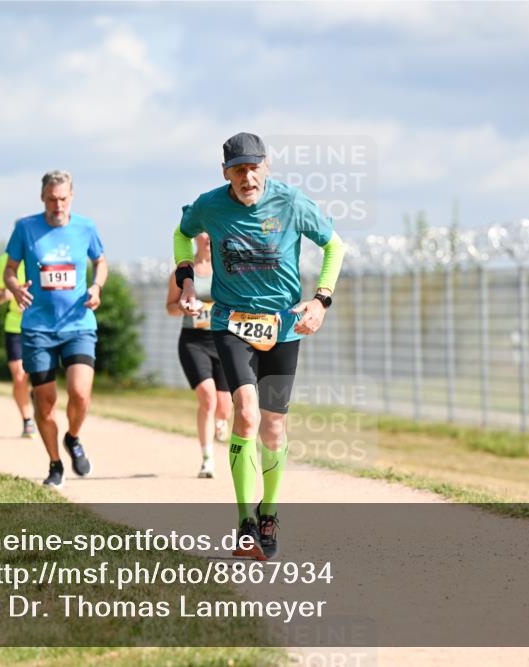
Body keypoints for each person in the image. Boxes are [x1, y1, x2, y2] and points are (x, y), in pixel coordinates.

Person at [173, 132, 345, 560]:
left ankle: (269, 512)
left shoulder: (291, 202)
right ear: (225, 173)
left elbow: (334, 245)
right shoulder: (209, 205)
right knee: (246, 414)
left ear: (266, 166)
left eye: (254, 168)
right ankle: (245, 521)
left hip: (283, 326)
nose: (247, 177)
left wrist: (321, 300)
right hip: (231, 322)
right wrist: (186, 278)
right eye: (238, 170)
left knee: (273, 426)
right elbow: (181, 233)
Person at [3, 170, 107, 488]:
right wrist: (15, 288)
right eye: (51, 199)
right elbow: (9, 270)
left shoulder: (86, 227)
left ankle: (72, 437)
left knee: (80, 393)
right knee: (45, 402)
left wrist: (96, 287)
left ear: (71, 197)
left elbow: (101, 262)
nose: (58, 205)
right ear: (42, 198)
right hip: (38, 329)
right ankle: (55, 464)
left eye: (63, 199)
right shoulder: (25, 228)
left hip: (78, 324)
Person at [165, 232, 233, 478]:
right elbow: (170, 307)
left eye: (211, 232)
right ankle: (207, 460)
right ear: (195, 237)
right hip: (193, 341)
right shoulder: (183, 272)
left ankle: (221, 421)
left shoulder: (226, 268)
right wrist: (182, 308)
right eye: (203, 232)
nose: (207, 237)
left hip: (224, 340)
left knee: (224, 407)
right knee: (208, 399)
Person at [0, 252, 36, 438]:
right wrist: (6, 295)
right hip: (15, 326)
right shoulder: (6, 260)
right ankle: (27, 420)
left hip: (40, 326)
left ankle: (36, 395)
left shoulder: (44, 256)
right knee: (19, 375)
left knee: (38, 376)